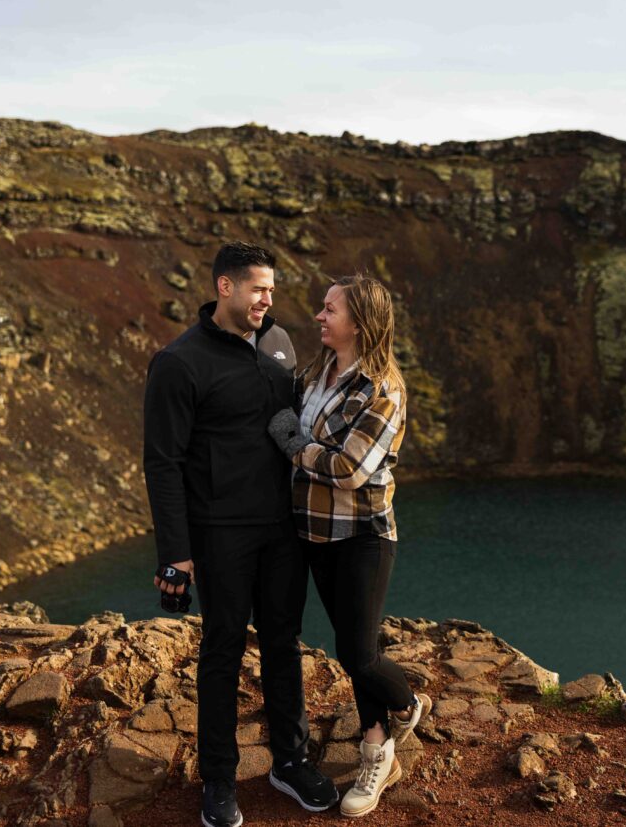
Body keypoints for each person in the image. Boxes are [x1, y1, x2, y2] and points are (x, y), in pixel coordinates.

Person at [143, 242, 337, 827]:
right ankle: (220, 780)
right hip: (220, 534)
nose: (268, 300)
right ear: (224, 287)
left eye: (272, 290)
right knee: (223, 652)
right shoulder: (178, 362)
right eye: (258, 289)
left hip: (284, 530)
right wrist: (176, 554)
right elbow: (162, 463)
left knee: (283, 643)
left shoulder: (279, 345)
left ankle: (290, 762)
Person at [267, 274, 432, 819]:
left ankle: (407, 705)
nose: (318, 315)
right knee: (350, 645)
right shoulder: (318, 371)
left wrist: (294, 444)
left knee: (358, 652)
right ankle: (375, 746)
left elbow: (350, 469)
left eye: (329, 309)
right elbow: (295, 418)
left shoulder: (383, 388)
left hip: (363, 534)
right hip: (314, 532)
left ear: (359, 322)